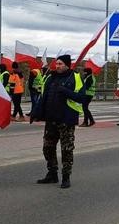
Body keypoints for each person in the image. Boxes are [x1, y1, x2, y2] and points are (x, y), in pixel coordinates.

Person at [31, 54, 86, 189]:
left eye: (60, 64)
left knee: (66, 150)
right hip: (51, 119)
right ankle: (52, 173)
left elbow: (81, 97)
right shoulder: (50, 77)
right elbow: (43, 97)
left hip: (66, 120)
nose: (57, 66)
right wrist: (36, 112)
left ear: (67, 65)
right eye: (57, 63)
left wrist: (66, 91)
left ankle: (66, 177)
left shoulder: (75, 77)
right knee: (47, 148)